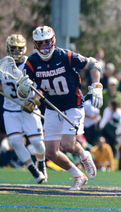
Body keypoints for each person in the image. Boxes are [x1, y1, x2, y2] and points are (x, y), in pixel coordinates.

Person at [16, 26, 103, 190]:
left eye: (46, 42)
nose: (43, 46)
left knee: (68, 145)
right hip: (51, 107)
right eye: (40, 43)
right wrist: (24, 88)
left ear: (53, 40)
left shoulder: (65, 55)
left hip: (73, 104)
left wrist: (97, 85)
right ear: (35, 44)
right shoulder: (32, 62)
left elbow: (94, 64)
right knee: (50, 152)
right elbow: (21, 95)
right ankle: (78, 176)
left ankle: (84, 154)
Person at [1, 34, 47, 183]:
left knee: (38, 144)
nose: (16, 51)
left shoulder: (32, 63)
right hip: (10, 111)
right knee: (15, 140)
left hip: (29, 110)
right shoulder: (2, 65)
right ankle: (34, 171)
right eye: (13, 48)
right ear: (8, 49)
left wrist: (34, 102)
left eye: (20, 48)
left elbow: (43, 88)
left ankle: (41, 162)